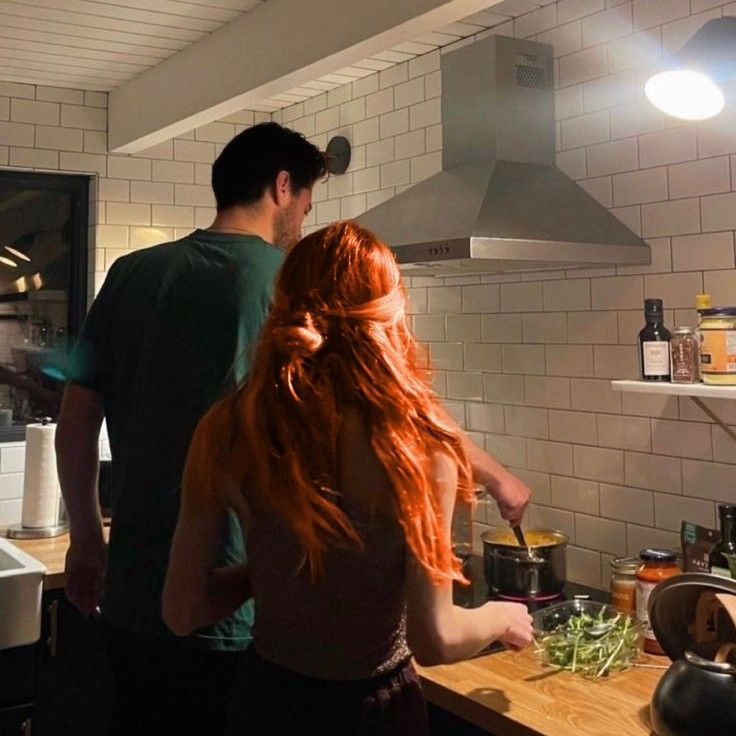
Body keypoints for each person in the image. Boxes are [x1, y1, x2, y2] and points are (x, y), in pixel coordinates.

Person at [162, 220, 534, 736]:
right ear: (390, 312)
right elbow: (436, 639)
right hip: (374, 713)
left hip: (266, 705)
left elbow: (182, 610)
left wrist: (271, 568)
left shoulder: (227, 426)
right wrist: (501, 616)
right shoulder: (418, 443)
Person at [55, 121, 326, 736]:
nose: (303, 225)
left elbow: (74, 424)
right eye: (307, 206)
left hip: (133, 594)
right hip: (232, 597)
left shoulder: (129, 273)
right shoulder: (289, 282)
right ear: (282, 186)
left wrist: (86, 539)